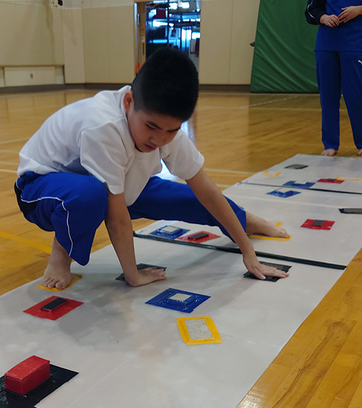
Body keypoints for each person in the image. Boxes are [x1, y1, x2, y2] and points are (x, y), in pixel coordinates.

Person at [15, 47, 289, 290]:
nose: (158, 140)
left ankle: (247, 221)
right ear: (128, 102)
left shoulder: (168, 132)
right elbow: (117, 218)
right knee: (90, 196)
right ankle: (61, 255)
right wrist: (132, 275)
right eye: (151, 127)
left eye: (171, 130)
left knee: (191, 197)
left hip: (112, 180)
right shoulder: (103, 127)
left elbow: (207, 192)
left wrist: (247, 252)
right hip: (42, 187)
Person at [305, 0, 362, 157]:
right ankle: (330, 143)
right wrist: (323, 18)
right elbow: (311, 10)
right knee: (328, 96)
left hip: (356, 42)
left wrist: (360, 10)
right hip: (326, 43)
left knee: (354, 95)